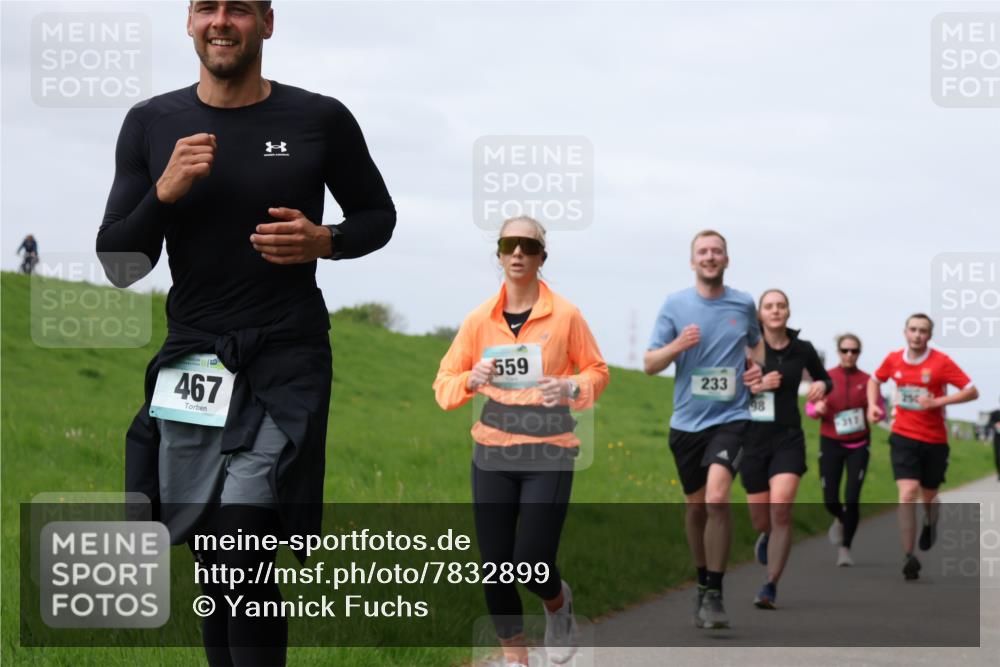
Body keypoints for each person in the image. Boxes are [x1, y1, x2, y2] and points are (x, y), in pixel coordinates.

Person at [96, 2, 395, 665]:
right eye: (207, 7)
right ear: (189, 22)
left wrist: (328, 239)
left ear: (266, 22)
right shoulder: (152, 124)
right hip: (195, 358)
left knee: (243, 541)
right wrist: (163, 194)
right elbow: (120, 263)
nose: (221, 21)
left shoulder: (319, 119)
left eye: (238, 8)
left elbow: (378, 213)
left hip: (285, 356)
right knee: (213, 553)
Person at [433, 216, 609, 667]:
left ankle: (557, 605)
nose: (517, 253)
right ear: (498, 254)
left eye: (527, 246)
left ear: (541, 257)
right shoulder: (479, 320)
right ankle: (517, 659)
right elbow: (444, 383)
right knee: (495, 567)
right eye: (509, 245)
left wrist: (570, 388)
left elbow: (596, 371)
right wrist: (470, 380)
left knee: (530, 560)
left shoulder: (566, 315)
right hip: (492, 450)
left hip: (548, 448)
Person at [644, 230, 763, 630]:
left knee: (717, 498)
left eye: (717, 251)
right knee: (696, 507)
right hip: (686, 424)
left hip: (731, 420)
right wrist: (677, 346)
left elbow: (756, 345)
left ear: (727, 260)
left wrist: (755, 366)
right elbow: (649, 363)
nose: (710, 257)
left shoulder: (743, 303)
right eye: (703, 252)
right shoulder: (675, 305)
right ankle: (701, 580)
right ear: (692, 261)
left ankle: (715, 591)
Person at [867, 314, 978, 580]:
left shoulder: (941, 362)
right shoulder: (893, 359)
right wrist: (873, 405)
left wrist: (938, 402)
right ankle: (909, 555)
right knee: (907, 493)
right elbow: (875, 379)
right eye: (913, 330)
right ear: (905, 332)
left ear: (929, 335)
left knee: (928, 497)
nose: (917, 335)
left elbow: (972, 391)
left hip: (934, 440)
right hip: (903, 435)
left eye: (923, 331)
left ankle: (931, 519)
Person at [742, 289, 831, 609]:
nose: (775, 310)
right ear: (760, 314)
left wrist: (822, 385)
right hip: (752, 439)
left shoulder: (802, 349)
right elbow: (729, 390)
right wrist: (756, 386)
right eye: (769, 306)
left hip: (788, 438)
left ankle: (770, 585)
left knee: (781, 508)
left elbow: (824, 379)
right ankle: (765, 535)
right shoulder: (747, 348)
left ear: (788, 312)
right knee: (761, 520)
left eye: (781, 305)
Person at [805, 333, 883, 567]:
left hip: (859, 444)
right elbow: (810, 408)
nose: (849, 355)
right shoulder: (826, 378)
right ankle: (840, 518)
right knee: (830, 500)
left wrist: (876, 414)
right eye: (845, 350)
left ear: (859, 353)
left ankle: (845, 548)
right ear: (838, 352)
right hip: (830, 443)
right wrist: (816, 409)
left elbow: (878, 408)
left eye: (854, 351)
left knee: (852, 498)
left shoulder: (868, 380)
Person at [989, 401, 1000, 481]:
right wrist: (995, 424)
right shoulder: (995, 413)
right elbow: (989, 423)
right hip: (997, 438)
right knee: (998, 456)